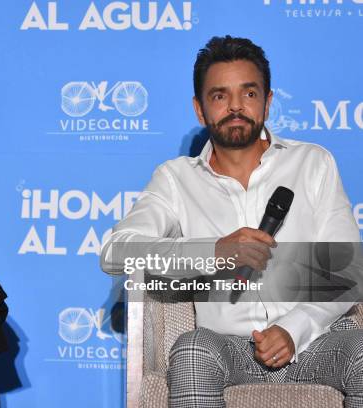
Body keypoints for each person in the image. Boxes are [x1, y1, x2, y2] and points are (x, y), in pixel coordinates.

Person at [100, 36, 363, 407]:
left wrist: (293, 328)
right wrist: (214, 251)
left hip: (315, 342)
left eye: (249, 94)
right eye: (220, 96)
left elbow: (348, 273)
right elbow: (116, 253)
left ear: (268, 102)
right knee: (192, 349)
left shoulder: (312, 163)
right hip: (228, 351)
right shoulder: (176, 179)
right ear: (199, 109)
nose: (236, 107)